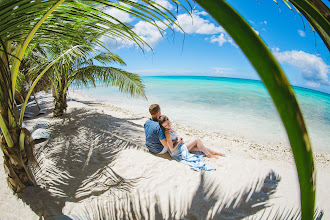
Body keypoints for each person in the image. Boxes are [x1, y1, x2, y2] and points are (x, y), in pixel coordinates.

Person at [158, 115, 225, 158]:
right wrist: (178, 142)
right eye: (165, 126)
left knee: (199, 147)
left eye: (168, 123)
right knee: (197, 140)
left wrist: (177, 139)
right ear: (163, 126)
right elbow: (172, 149)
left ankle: (215, 153)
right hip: (176, 151)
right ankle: (209, 155)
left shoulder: (170, 128)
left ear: (168, 120)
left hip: (179, 145)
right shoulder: (167, 133)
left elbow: (174, 139)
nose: (168, 126)